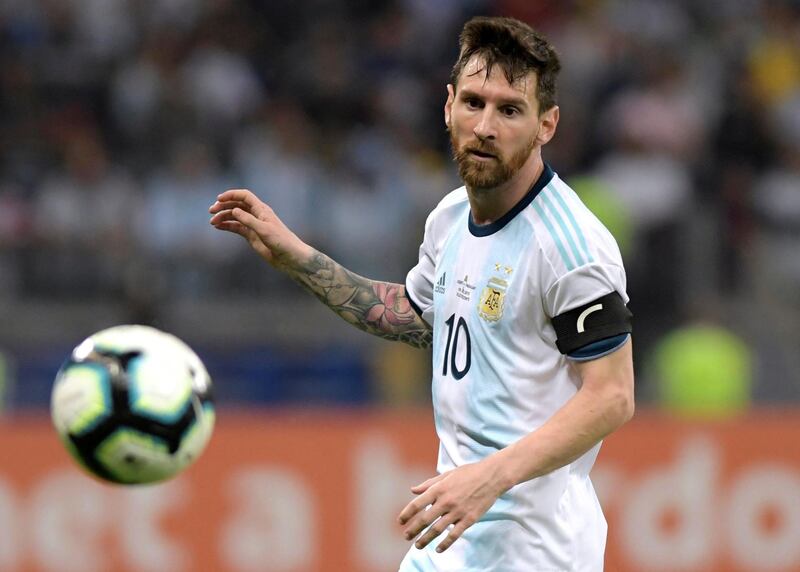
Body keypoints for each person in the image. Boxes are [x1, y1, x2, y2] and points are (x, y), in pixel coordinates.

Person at [209, 16, 634, 572]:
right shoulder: (450, 217)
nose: (485, 126)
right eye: (474, 102)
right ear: (448, 105)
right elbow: (415, 317)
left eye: (510, 110)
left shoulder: (571, 248)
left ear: (546, 125)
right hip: (450, 539)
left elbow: (612, 396)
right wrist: (298, 257)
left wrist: (489, 476)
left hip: (536, 551)